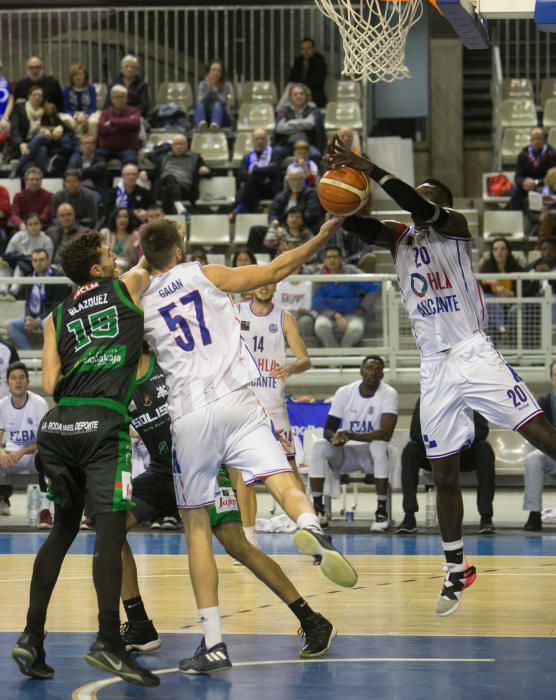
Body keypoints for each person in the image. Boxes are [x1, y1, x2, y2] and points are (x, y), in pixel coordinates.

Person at [326, 133, 556, 616]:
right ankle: (457, 568)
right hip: (434, 366)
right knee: (443, 471)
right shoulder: (399, 237)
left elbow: (416, 202)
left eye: (428, 194)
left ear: (441, 204)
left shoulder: (453, 226)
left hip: (473, 352)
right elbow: (357, 227)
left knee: (538, 432)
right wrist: (336, 184)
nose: (420, 199)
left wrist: (366, 166)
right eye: (420, 194)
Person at [125, 216, 356, 674]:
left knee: (198, 531)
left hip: (190, 418)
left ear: (143, 256)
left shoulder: (142, 303)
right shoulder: (204, 272)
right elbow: (272, 272)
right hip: (238, 400)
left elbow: (124, 296)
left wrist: (140, 271)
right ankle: (310, 524)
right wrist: (322, 234)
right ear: (181, 246)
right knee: (279, 477)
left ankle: (213, 643)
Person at [120, 344, 335, 658]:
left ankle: (312, 620)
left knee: (238, 546)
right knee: (110, 526)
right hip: (162, 472)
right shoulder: (117, 381)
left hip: (203, 464)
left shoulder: (168, 363)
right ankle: (139, 623)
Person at [12, 232, 159, 687]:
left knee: (62, 530)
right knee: (111, 532)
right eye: (107, 255)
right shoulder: (126, 287)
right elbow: (152, 261)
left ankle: (32, 637)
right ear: (97, 270)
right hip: (102, 425)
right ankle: (108, 641)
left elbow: (51, 382)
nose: (115, 258)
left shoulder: (56, 316)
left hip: (58, 428)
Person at [235, 282, 311, 546]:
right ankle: (249, 537)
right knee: (244, 475)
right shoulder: (237, 311)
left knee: (289, 469)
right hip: (245, 404)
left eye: (269, 283)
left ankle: (311, 528)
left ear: (276, 287)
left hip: (274, 407)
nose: (264, 288)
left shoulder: (284, 318)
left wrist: (292, 367)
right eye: (260, 283)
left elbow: (305, 359)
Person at [308, 356, 398, 530]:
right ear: (361, 370)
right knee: (319, 445)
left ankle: (381, 512)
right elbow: (329, 429)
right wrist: (334, 438)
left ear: (382, 374)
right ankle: (318, 509)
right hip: (347, 455)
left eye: (378, 369)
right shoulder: (345, 392)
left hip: (374, 457)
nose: (373, 372)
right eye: (369, 368)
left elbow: (386, 433)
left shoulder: (389, 393)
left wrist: (351, 435)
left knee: (378, 445)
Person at [396, 397, 496, 535]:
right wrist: (441, 443)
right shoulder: (427, 397)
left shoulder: (471, 396)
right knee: (410, 450)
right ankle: (409, 516)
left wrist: (457, 442)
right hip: (436, 454)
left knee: (485, 450)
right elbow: (415, 432)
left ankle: (486, 517)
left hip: (464, 453)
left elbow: (481, 431)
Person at [0, 362, 49, 525]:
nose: (18, 381)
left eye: (21, 378)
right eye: (13, 378)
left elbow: (44, 441)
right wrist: (1, 453)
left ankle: (45, 511)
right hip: (10, 456)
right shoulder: (2, 405)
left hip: (32, 455)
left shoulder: (39, 403)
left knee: (46, 457)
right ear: (7, 383)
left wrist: (21, 452)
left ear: (27, 382)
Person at [312, 246, 379, 348]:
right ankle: (334, 358)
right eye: (328, 257)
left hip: (352, 313)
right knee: (321, 326)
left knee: (356, 329)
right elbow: (317, 302)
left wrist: (363, 307)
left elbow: (375, 287)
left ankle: (341, 356)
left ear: (341, 259)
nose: (332, 260)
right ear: (324, 260)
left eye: (335, 257)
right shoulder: (318, 277)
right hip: (327, 315)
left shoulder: (351, 271)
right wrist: (335, 315)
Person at [247, 168, 323, 253]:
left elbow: (313, 213)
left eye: (299, 179)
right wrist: (275, 223)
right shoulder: (282, 195)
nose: (297, 182)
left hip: (304, 227)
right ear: (288, 181)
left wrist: (298, 221)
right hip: (283, 227)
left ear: (304, 180)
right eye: (294, 179)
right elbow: (273, 212)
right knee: (256, 231)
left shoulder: (311, 194)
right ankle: (261, 261)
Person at [7, 248, 69, 350]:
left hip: (50, 316)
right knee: (11, 326)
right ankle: (30, 355)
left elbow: (57, 305)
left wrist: (38, 321)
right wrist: (28, 318)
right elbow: (28, 303)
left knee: (47, 324)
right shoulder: (30, 277)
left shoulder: (58, 277)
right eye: (35, 260)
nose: (38, 263)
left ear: (48, 261)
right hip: (33, 317)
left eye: (41, 260)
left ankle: (50, 355)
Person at [10, 85, 73, 177]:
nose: (37, 97)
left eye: (40, 95)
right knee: (42, 150)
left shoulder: (48, 110)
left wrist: (60, 127)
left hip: (45, 140)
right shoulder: (19, 109)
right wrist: (20, 144)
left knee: (40, 137)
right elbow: (14, 129)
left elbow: (67, 128)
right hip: (24, 144)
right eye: (34, 95)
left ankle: (18, 168)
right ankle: (38, 177)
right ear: (29, 96)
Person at [522, 362, 556, 531]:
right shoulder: (544, 402)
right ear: (552, 379)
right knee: (533, 459)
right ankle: (534, 514)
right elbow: (537, 433)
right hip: (552, 454)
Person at [478, 237, 523, 342]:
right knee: (489, 299)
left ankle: (509, 337)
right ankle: (500, 326)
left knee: (515, 309)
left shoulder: (517, 268)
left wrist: (509, 294)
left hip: (512, 302)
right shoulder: (486, 267)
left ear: (508, 251)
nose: (499, 252)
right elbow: (481, 289)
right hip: (494, 305)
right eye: (495, 249)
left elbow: (522, 291)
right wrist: (491, 283)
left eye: (503, 249)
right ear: (492, 252)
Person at [152, 133, 209, 214]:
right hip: (162, 185)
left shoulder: (195, 157)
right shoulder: (164, 157)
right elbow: (154, 172)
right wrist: (144, 173)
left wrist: (205, 169)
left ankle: (167, 218)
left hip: (184, 189)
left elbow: (208, 171)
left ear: (186, 145)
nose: (178, 146)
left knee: (167, 189)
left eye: (181, 144)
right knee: (169, 178)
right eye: (176, 144)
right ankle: (178, 204)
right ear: (172, 146)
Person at [0, 214, 54, 297]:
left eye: (36, 224)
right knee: (3, 265)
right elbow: (7, 256)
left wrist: (21, 258)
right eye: (30, 224)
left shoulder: (46, 240)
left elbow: (48, 261)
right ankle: (2, 291)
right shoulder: (17, 236)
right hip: (14, 264)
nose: (33, 227)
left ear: (41, 225)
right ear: (26, 225)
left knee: (20, 266)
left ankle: (12, 293)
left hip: (35, 266)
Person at [232, 129, 280, 218]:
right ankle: (251, 213)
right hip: (253, 188)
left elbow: (274, 170)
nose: (260, 141)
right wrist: (260, 173)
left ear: (267, 140)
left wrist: (254, 171)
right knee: (252, 181)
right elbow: (241, 175)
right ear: (253, 141)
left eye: (262, 139)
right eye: (257, 139)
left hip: (269, 189)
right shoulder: (247, 156)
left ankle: (239, 206)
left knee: (252, 180)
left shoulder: (274, 153)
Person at [273, 83, 326, 163]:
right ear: (290, 97)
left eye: (301, 94)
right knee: (276, 152)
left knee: (315, 155)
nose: (299, 96)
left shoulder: (313, 110)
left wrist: (290, 123)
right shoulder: (284, 111)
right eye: (295, 94)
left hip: (308, 145)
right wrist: (302, 125)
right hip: (288, 145)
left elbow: (310, 124)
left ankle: (313, 175)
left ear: (306, 96)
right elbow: (280, 128)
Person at [508, 127, 556, 212]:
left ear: (544, 140)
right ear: (530, 140)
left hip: (544, 184)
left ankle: (548, 219)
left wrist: (536, 183)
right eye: (533, 139)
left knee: (549, 192)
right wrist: (523, 182)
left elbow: (552, 178)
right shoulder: (523, 155)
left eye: (539, 139)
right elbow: (518, 177)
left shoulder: (551, 154)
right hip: (527, 186)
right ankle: (516, 217)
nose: (536, 141)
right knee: (515, 192)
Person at [96, 85, 141, 165]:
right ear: (112, 99)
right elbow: (101, 129)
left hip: (128, 149)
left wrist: (112, 122)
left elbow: (135, 124)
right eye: (116, 97)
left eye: (122, 97)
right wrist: (124, 127)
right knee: (98, 163)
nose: (119, 100)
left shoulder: (134, 111)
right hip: (106, 149)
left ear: (126, 99)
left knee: (130, 164)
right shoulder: (105, 113)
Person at [105, 162, 152, 228]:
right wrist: (133, 213)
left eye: (133, 174)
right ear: (123, 176)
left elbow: (151, 209)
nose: (131, 177)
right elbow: (109, 212)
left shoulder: (144, 192)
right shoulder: (113, 193)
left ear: (137, 176)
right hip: (116, 226)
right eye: (128, 174)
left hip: (138, 225)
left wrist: (146, 213)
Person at [287, 37, 327, 108]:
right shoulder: (298, 61)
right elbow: (291, 78)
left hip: (313, 93)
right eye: (303, 49)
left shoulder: (319, 62)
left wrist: (302, 85)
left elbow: (317, 82)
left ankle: (278, 112)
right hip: (298, 90)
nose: (305, 51)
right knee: (290, 87)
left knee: (295, 90)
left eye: (308, 48)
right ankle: (281, 111)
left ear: (313, 49)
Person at [68, 134, 110, 201]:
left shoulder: (101, 160)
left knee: (89, 199)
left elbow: (99, 169)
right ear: (80, 146)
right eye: (85, 143)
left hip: (94, 191)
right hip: (78, 190)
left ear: (94, 146)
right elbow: (70, 174)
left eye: (90, 143)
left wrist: (80, 172)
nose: (88, 145)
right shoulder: (76, 161)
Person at [194, 60, 234, 130]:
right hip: (206, 114)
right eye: (213, 70)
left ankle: (215, 126)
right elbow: (200, 100)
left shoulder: (226, 85)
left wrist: (214, 90)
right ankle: (201, 126)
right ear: (208, 72)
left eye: (219, 71)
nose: (216, 73)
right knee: (199, 104)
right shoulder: (202, 84)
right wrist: (209, 89)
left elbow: (223, 102)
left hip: (221, 115)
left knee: (217, 104)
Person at [62, 64, 97, 134]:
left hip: (88, 114)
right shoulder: (66, 90)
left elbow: (93, 107)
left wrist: (86, 116)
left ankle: (90, 143)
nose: (78, 77)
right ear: (71, 78)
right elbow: (66, 108)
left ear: (85, 76)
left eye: (81, 74)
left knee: (93, 122)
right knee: (66, 120)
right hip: (72, 115)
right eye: (75, 75)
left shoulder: (91, 89)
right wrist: (76, 116)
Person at [0, 59, 14, 152]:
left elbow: (10, 100)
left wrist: (6, 116)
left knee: (6, 126)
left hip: (3, 118)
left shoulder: (5, 84)